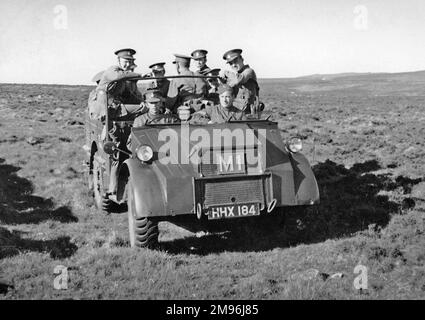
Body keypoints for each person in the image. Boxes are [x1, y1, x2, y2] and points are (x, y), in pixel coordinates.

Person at [220, 49, 260, 114]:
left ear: (242, 59)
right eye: (230, 63)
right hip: (237, 111)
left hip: (250, 112)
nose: (233, 65)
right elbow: (227, 90)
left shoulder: (249, 71)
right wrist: (222, 81)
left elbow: (239, 80)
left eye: (235, 61)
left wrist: (226, 73)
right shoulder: (234, 76)